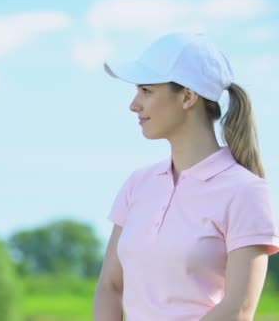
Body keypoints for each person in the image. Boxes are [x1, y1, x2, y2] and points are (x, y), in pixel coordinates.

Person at [93, 32, 279, 320]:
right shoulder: (137, 184)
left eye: (146, 90)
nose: (134, 104)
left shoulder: (245, 191)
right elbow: (111, 286)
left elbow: (238, 309)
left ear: (188, 97)